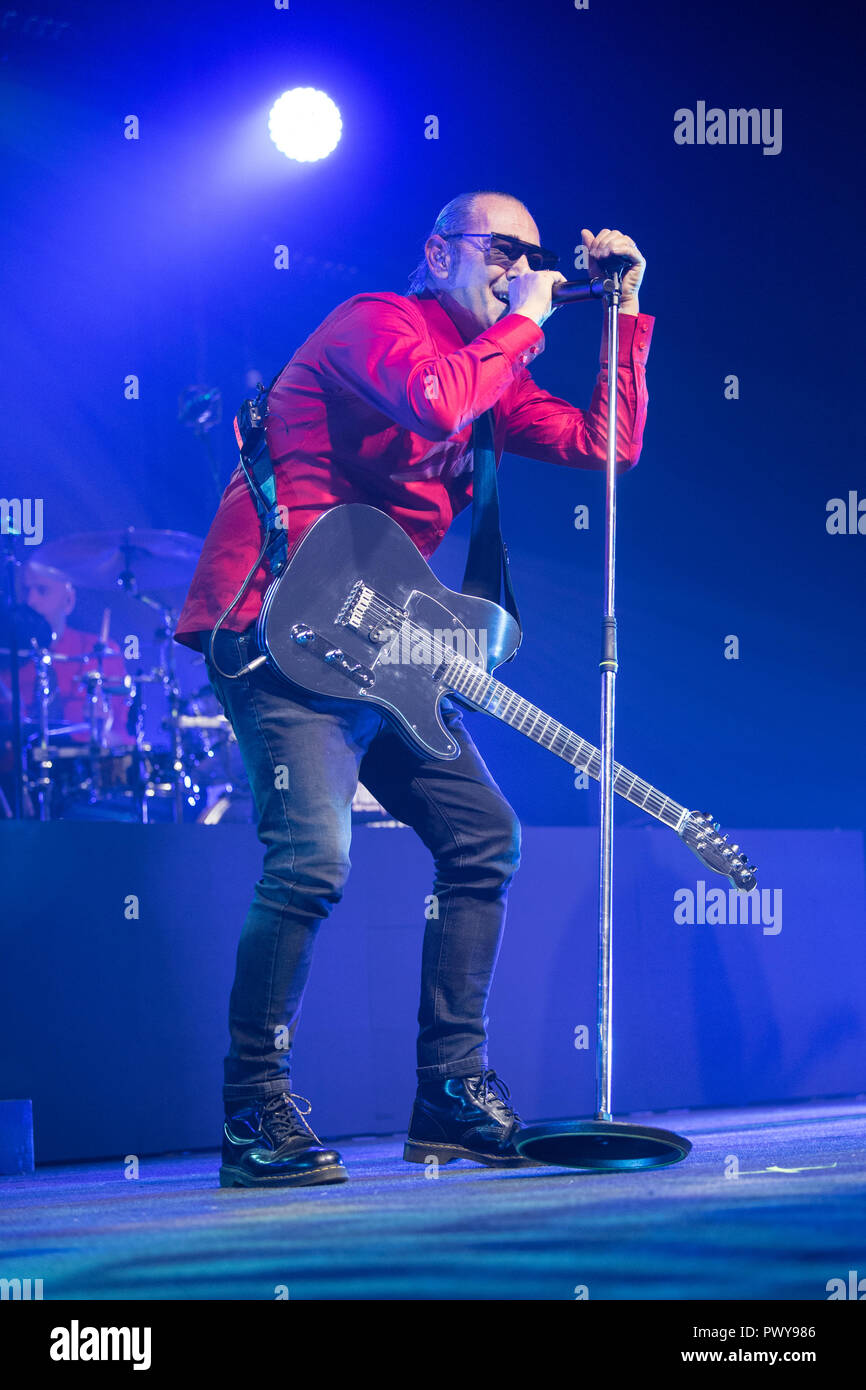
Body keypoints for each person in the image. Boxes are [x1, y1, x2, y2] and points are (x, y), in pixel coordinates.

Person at [174, 190, 654, 1187]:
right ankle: (251, 1110)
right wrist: (527, 317)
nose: (517, 265)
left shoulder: (494, 367)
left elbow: (604, 445)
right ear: (437, 250)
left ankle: (447, 1093)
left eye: (530, 253)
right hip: (280, 629)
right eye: (498, 249)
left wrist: (622, 319)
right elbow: (430, 398)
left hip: (379, 651)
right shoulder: (372, 325)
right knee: (312, 859)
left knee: (482, 835)